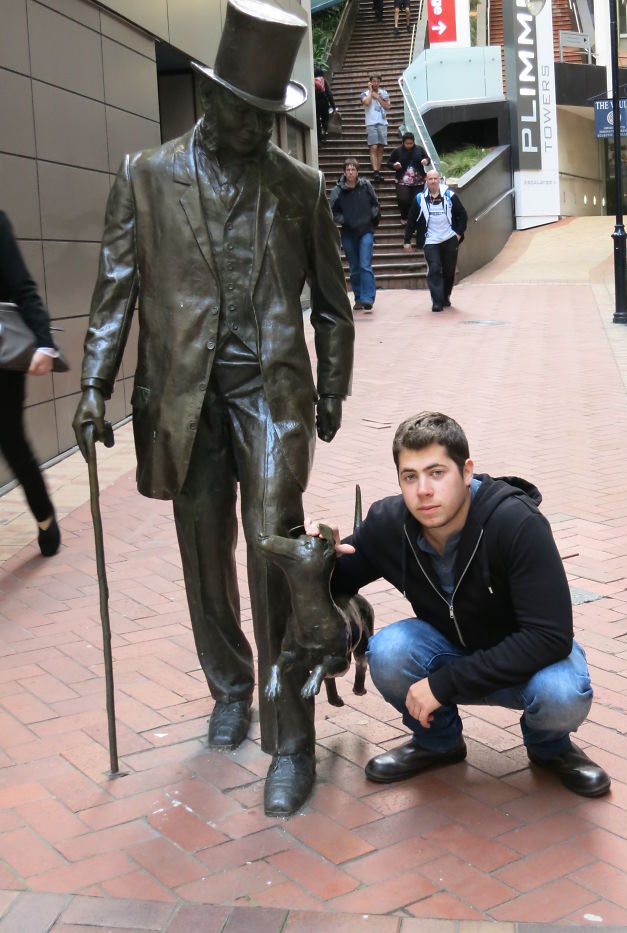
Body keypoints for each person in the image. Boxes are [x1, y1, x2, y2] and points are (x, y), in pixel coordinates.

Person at [72, 0, 354, 818]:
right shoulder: (145, 176)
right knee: (204, 552)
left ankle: (291, 738)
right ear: (209, 98)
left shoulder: (299, 186)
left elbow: (332, 305)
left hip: (272, 396)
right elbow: (114, 294)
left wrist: (331, 387)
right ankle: (229, 685)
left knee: (277, 549)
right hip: (183, 399)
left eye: (270, 116)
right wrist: (92, 387)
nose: (261, 130)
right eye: (247, 114)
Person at [308, 411, 611, 798]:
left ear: (466, 472)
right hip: (448, 650)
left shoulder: (516, 524)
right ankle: (438, 743)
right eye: (410, 477)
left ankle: (549, 748)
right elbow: (335, 582)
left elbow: (549, 637)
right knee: (388, 650)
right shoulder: (389, 525)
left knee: (562, 692)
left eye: (437, 473)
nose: (423, 491)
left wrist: (444, 684)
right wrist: (316, 553)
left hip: (528, 662)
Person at [0, 211, 60, 557]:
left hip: (2, 360)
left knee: (12, 443)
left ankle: (44, 517)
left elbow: (23, 286)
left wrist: (44, 342)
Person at [404, 169, 467, 312]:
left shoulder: (449, 196)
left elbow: (462, 215)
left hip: (449, 238)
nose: (433, 181)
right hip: (430, 240)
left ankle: (445, 296)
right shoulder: (420, 198)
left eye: (435, 179)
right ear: (426, 180)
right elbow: (411, 220)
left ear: (439, 180)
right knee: (434, 268)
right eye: (430, 179)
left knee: (449, 270)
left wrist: (458, 234)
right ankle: (437, 301)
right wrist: (407, 240)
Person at [330, 158, 380, 312]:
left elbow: (375, 203)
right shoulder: (337, 190)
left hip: (366, 231)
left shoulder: (365, 186)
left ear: (357, 172)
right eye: (348, 170)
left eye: (353, 169)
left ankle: (368, 298)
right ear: (344, 172)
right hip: (348, 233)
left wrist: (371, 217)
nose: (350, 172)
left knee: (365, 264)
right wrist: (345, 220)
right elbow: (333, 211)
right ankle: (358, 297)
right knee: (354, 267)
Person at [388, 131, 429, 221]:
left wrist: (426, 161)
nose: (409, 145)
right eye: (407, 143)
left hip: (418, 180)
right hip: (402, 179)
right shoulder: (397, 151)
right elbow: (389, 163)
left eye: (411, 143)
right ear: (403, 142)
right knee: (403, 199)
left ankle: (413, 219)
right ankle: (404, 216)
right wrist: (394, 165)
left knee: (415, 200)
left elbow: (427, 159)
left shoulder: (419, 149)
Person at [361, 75, 390, 183]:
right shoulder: (365, 93)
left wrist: (378, 97)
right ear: (370, 82)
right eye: (373, 81)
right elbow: (367, 102)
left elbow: (388, 106)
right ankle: (375, 171)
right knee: (373, 146)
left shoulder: (384, 93)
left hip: (382, 122)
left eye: (377, 81)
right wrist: (370, 91)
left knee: (381, 147)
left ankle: (378, 171)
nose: (376, 83)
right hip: (371, 123)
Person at [314, 67, 336, 141]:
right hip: (324, 103)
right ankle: (325, 131)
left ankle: (319, 138)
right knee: (325, 118)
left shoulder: (312, 81)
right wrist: (333, 106)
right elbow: (329, 94)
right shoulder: (324, 81)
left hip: (315, 104)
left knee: (317, 121)